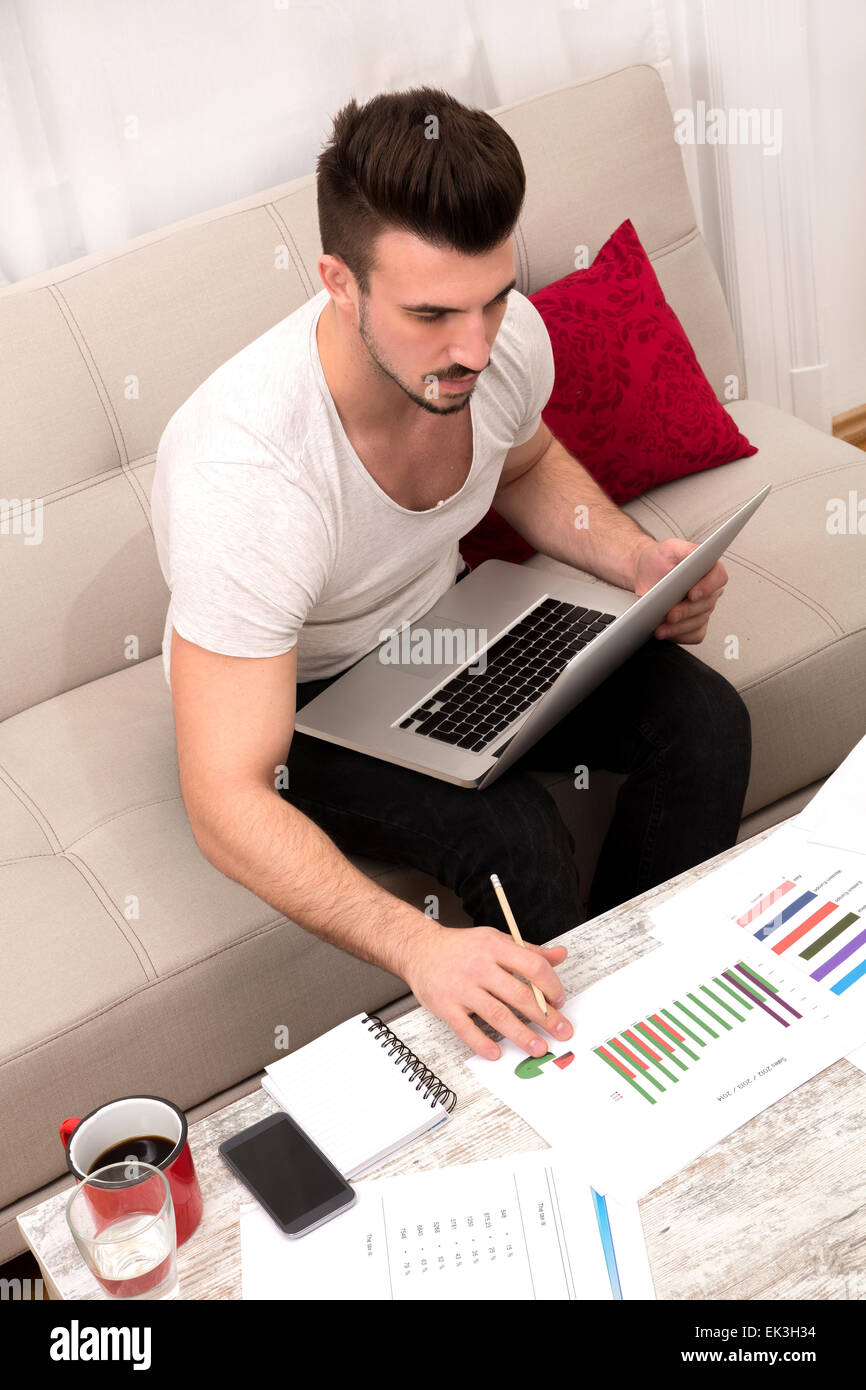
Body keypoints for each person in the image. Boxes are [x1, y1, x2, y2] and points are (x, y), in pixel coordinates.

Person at [152, 87, 751, 1066]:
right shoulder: (250, 475)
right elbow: (226, 794)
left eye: (492, 298)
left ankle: (659, 1003)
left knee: (704, 721)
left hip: (446, 627)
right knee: (511, 833)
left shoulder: (498, 343)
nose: (472, 347)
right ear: (338, 285)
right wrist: (418, 946)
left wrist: (631, 558)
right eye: (430, 313)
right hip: (302, 696)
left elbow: (518, 464)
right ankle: (587, 1068)